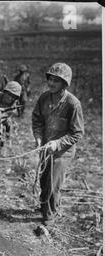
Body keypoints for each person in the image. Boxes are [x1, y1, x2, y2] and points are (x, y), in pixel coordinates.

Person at [32, 62, 84, 226]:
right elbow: (37, 119)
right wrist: (38, 137)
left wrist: (58, 144)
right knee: (44, 180)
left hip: (63, 152)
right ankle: (44, 206)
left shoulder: (73, 104)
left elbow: (77, 133)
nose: (51, 83)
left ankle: (50, 216)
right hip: (45, 148)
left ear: (65, 83)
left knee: (53, 185)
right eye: (50, 79)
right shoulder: (43, 98)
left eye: (56, 80)